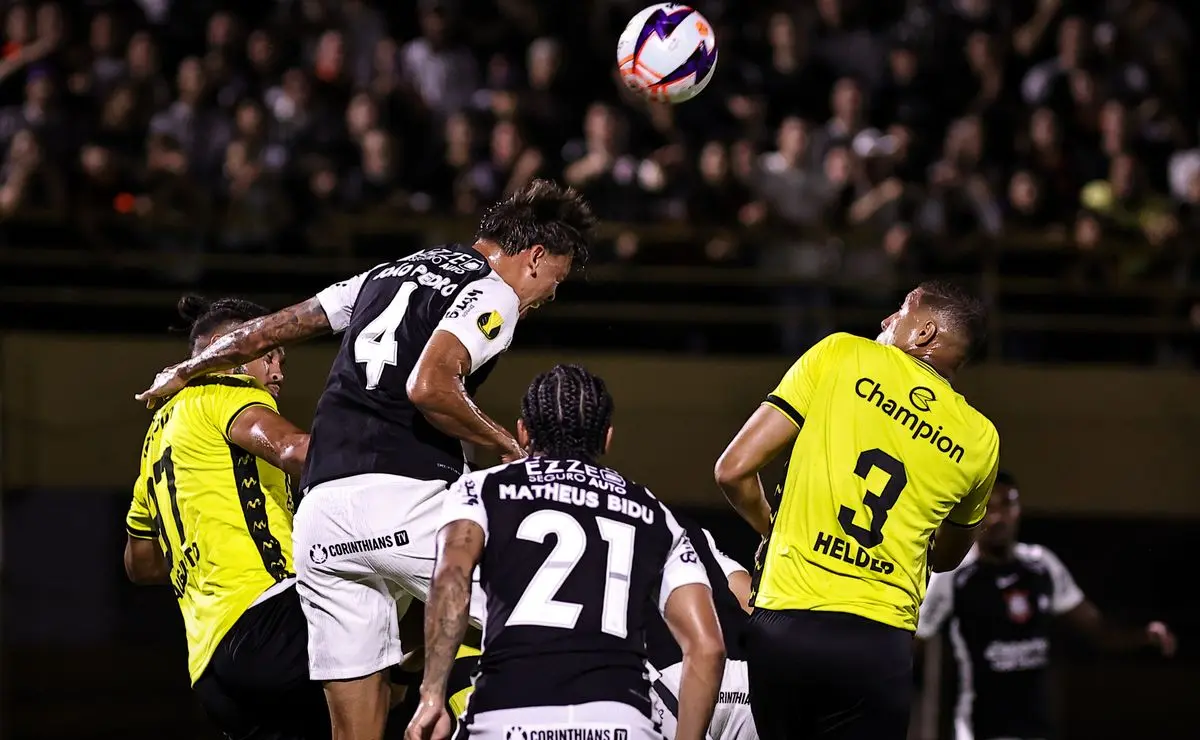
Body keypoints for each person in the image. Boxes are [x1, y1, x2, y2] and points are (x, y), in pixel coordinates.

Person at [134, 180, 596, 740]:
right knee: (555, 611)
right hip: (402, 500)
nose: (547, 295)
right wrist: (510, 446)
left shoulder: (384, 273)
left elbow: (274, 328)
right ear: (535, 257)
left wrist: (186, 368)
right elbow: (430, 386)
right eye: (556, 281)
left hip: (323, 519)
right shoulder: (492, 290)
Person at [713, 280, 1001, 740]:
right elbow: (947, 557)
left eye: (900, 310)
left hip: (788, 621)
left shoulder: (841, 355)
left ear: (924, 332)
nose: (887, 320)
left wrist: (773, 527)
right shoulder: (981, 438)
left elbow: (733, 471)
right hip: (880, 641)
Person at [407, 365, 726, 740]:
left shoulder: (480, 489)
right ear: (607, 437)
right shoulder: (655, 512)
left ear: (523, 432)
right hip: (620, 720)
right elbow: (708, 647)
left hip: (509, 714)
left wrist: (431, 696)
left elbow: (451, 579)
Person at [124, 296, 326, 740]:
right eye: (268, 354)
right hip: (270, 617)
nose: (278, 371)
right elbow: (296, 451)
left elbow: (141, 564)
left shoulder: (154, 442)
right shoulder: (223, 392)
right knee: (417, 611)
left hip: (211, 670)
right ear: (225, 348)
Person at [916, 471, 1177, 740]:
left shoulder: (1042, 566)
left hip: (1037, 729)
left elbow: (1097, 631)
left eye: (1007, 504)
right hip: (979, 729)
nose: (997, 517)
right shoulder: (953, 575)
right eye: (988, 507)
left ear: (1019, 510)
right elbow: (917, 642)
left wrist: (1143, 636)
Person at [645, 519, 757, 740]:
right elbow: (752, 602)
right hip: (747, 680)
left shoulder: (601, 524)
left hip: (678, 680)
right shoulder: (686, 529)